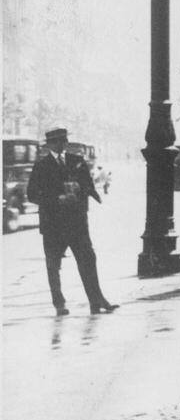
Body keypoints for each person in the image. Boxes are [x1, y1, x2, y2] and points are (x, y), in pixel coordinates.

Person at [25, 127, 116, 316]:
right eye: (57, 141)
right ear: (49, 144)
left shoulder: (77, 161)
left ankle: (97, 300)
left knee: (88, 260)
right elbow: (32, 194)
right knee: (53, 265)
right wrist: (57, 199)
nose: (61, 144)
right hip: (53, 224)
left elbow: (89, 187)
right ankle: (59, 304)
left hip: (77, 222)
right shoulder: (41, 166)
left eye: (63, 140)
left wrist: (80, 189)